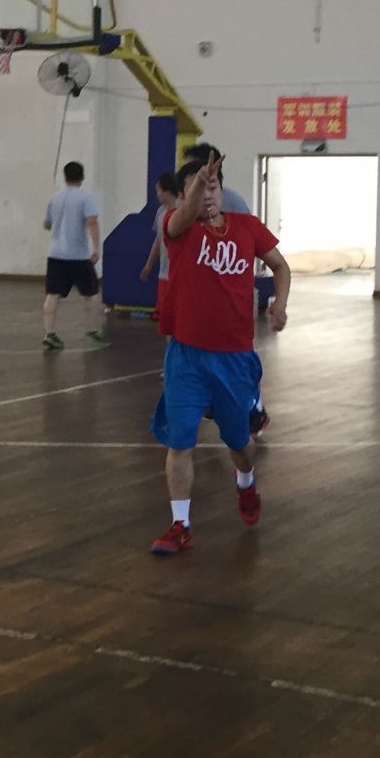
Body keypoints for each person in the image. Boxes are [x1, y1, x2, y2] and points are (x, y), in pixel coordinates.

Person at [147, 156, 290, 555]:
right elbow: (185, 212)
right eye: (197, 188)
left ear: (223, 190)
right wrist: (197, 184)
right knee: (180, 441)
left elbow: (280, 266)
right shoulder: (177, 227)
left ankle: (246, 482)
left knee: (240, 443)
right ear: (184, 196)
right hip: (186, 357)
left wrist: (279, 304)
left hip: (233, 359)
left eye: (213, 186)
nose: (207, 195)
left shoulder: (247, 227)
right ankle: (180, 524)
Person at [180, 142, 270, 438]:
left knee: (238, 362)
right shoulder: (184, 212)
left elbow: (250, 245)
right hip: (201, 298)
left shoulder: (233, 204)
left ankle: (253, 408)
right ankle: (210, 399)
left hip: (234, 298)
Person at [41, 161, 107, 349]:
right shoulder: (85, 197)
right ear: (82, 176)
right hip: (78, 255)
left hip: (56, 254)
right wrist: (96, 247)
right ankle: (92, 330)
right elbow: (92, 221)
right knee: (92, 292)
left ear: (65, 176)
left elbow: (47, 224)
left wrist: (59, 225)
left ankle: (50, 333)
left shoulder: (55, 198)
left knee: (52, 294)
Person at [140, 171, 181, 334]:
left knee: (180, 316)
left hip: (179, 274)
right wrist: (148, 265)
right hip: (164, 274)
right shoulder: (161, 212)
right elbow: (158, 240)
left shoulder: (183, 212)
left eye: (158, 190)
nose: (157, 194)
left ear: (167, 191)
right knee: (166, 319)